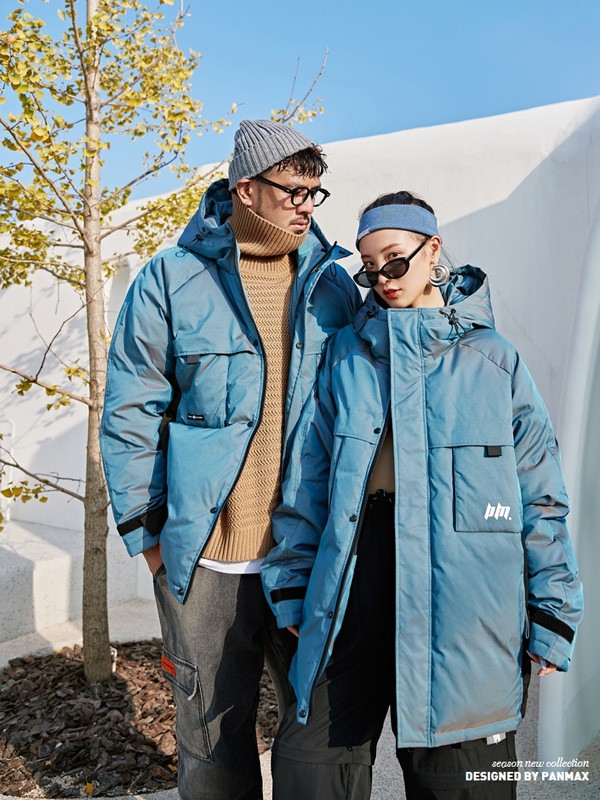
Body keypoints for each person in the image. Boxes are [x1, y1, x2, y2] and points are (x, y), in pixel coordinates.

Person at [261, 190, 584, 800]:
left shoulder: (493, 361)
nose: (382, 278)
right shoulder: (346, 358)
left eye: (394, 259)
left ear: (433, 250)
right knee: (309, 770)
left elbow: (541, 496)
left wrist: (552, 609)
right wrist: (294, 584)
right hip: (352, 590)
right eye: (368, 267)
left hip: (465, 609)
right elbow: (307, 483)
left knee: (463, 783)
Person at [100, 119, 361, 800]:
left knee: (324, 736)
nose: (306, 206)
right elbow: (130, 412)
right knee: (213, 743)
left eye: (314, 193)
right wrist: (151, 539)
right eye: (293, 191)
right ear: (246, 188)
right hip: (208, 561)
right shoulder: (171, 280)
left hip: (308, 553)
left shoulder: (332, 287)